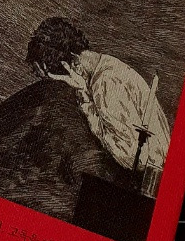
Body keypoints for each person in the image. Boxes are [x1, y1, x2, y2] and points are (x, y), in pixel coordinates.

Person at [24, 17, 170, 173]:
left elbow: (130, 156)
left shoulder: (105, 83)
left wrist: (85, 100)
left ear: (73, 63)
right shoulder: (109, 65)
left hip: (154, 174)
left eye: (61, 76)